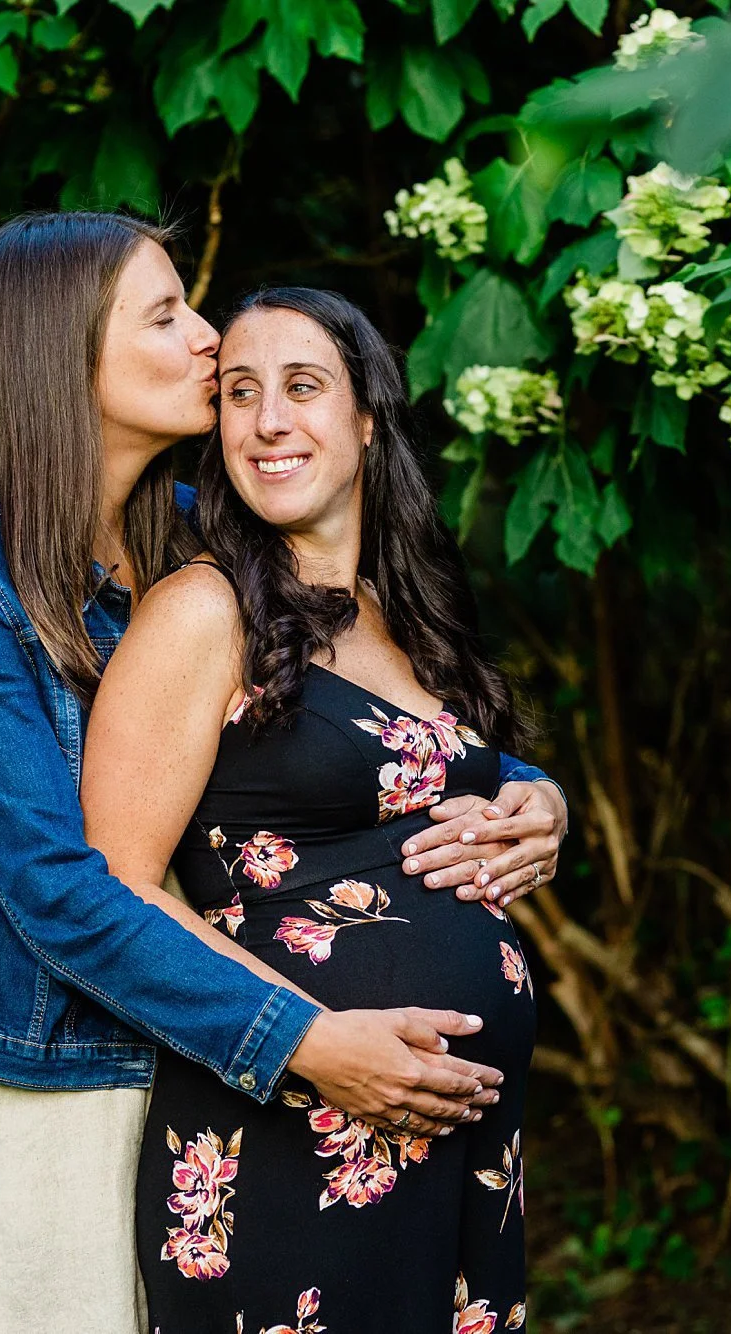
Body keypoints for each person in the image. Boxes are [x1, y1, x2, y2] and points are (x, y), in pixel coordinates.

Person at [0, 214, 567, 1333]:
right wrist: (300, 1034)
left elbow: (360, 712)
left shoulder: (205, 534)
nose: (206, 339)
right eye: (166, 315)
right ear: (64, 356)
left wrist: (534, 792)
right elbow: (60, 887)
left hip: (241, 1093)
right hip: (76, 1095)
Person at [83, 287, 538, 1333]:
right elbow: (116, 880)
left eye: (302, 386)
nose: (268, 420)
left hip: (457, 1146)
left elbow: (461, 775)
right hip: (291, 1123)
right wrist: (314, 1036)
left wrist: (537, 799)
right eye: (238, 393)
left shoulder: (403, 610)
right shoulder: (201, 611)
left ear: (367, 418)